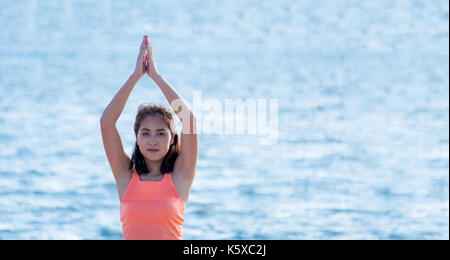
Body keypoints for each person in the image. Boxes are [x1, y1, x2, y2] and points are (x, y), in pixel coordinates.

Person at [100, 35, 198, 240]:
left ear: (172, 139)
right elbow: (106, 123)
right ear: (136, 137)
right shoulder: (125, 176)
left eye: (161, 133)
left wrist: (156, 77)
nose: (152, 140)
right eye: (145, 133)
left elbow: (188, 120)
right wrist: (135, 76)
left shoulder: (180, 176)